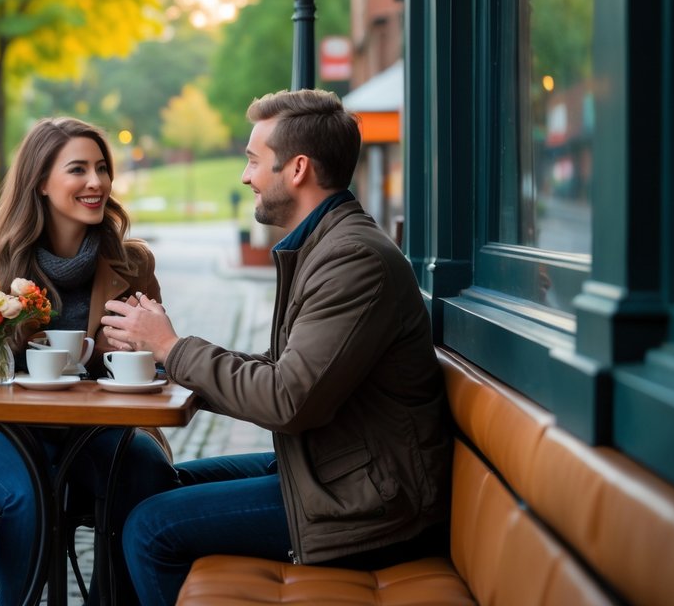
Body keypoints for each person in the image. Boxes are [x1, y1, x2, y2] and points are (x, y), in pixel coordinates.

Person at [100, 89, 452, 604]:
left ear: (298, 169)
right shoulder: (327, 246)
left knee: (151, 528)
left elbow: (286, 400)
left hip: (374, 506)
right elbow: (283, 374)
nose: (246, 177)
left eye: (253, 160)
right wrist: (169, 357)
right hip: (334, 471)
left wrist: (173, 347)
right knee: (144, 483)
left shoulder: (352, 260)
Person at [0, 117, 178, 606]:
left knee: (148, 474)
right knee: (25, 495)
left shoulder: (134, 262)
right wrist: (2, 348)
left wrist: (139, 354)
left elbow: (157, 362)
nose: (96, 182)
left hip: (94, 429)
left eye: (102, 168)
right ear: (40, 182)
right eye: (78, 169)